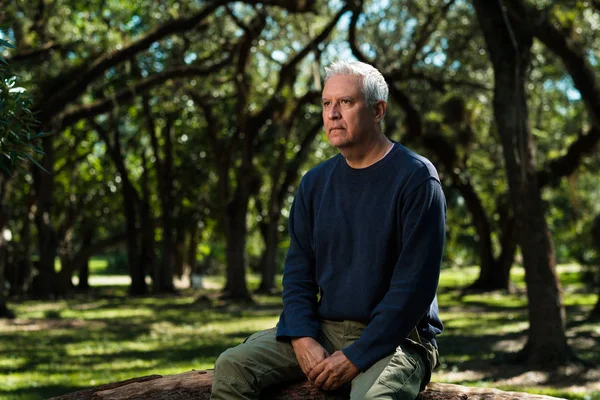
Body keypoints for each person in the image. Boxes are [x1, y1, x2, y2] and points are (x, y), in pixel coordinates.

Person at [211, 60, 445, 400]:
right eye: (326, 103)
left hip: (398, 337)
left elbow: (413, 290)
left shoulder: (416, 178)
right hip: (324, 329)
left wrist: (356, 356)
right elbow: (297, 273)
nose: (332, 113)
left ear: (378, 110)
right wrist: (303, 337)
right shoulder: (315, 183)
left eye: (346, 102)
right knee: (232, 366)